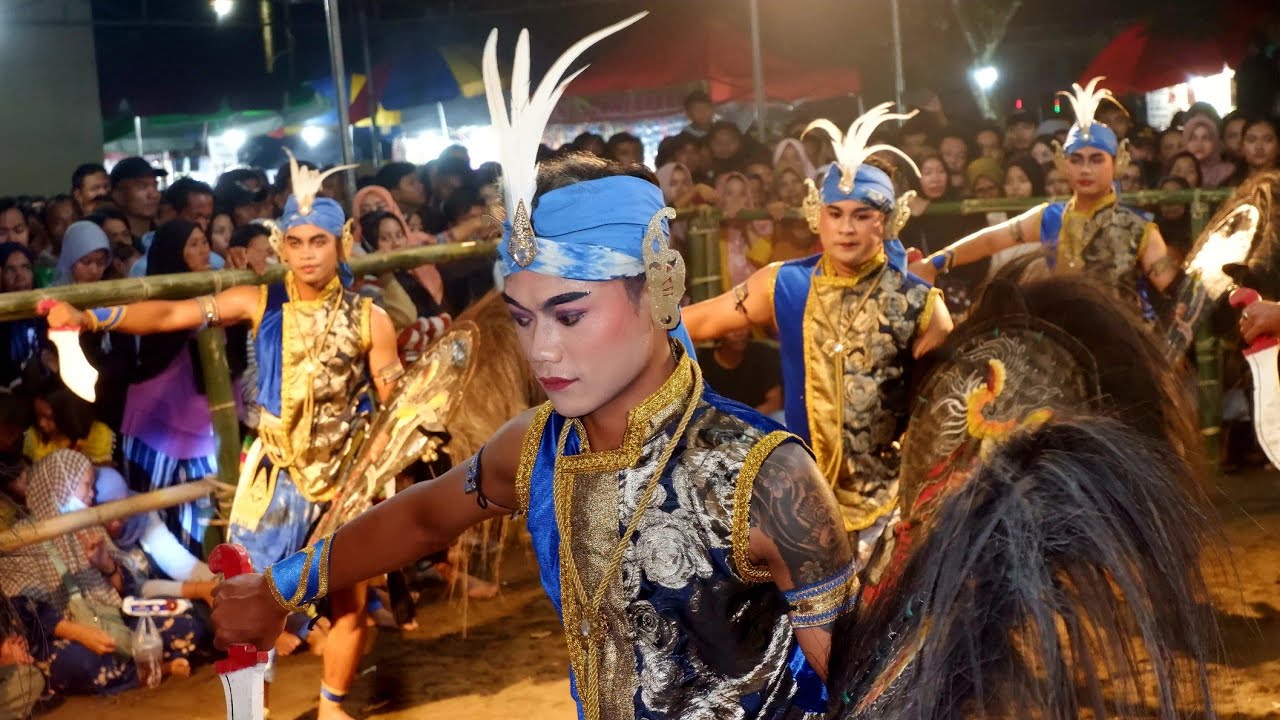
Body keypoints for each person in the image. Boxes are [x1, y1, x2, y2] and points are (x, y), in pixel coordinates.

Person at [211, 15, 855, 720]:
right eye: (522, 318)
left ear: (662, 287)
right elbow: (424, 518)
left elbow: (859, 690)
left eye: (569, 315)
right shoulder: (539, 447)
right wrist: (280, 588)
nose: (541, 348)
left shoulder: (763, 476)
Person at [42, 154, 400, 720]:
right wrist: (92, 319)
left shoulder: (370, 319)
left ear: (343, 243)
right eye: (297, 242)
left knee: (350, 602)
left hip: (346, 478)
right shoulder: (259, 302)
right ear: (281, 246)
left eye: (319, 241)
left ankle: (332, 707)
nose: (308, 253)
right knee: (248, 611)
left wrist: (386, 464)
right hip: (277, 478)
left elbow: (393, 404)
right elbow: (171, 316)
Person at [683, 103, 953, 559]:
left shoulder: (921, 305)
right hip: (804, 507)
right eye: (835, 213)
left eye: (862, 215)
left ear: (888, 220)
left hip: (893, 510)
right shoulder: (785, 284)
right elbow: (700, 321)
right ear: (817, 216)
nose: (846, 227)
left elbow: (938, 417)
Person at [914, 78, 1180, 327]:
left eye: (1096, 159)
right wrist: (935, 262)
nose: (1086, 169)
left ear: (1118, 162)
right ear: (1064, 165)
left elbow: (1175, 294)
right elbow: (990, 241)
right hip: (1064, 333)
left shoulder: (1139, 228)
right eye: (1077, 160)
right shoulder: (1050, 217)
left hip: (1120, 339)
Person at [0, 450, 205, 696]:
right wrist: (81, 633)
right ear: (60, 486)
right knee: (77, 660)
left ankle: (135, 668)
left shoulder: (89, 525)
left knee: (186, 624)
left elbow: (126, 593)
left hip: (112, 620)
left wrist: (106, 566)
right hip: (64, 638)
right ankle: (146, 671)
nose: (92, 494)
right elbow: (24, 611)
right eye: (86, 485)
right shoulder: (24, 538)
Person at [119, 220, 218, 558]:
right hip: (158, 422)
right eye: (193, 244)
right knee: (151, 515)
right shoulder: (159, 305)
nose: (204, 251)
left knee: (204, 520)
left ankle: (205, 578)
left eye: (204, 242)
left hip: (204, 425)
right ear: (173, 253)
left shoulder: (219, 292)